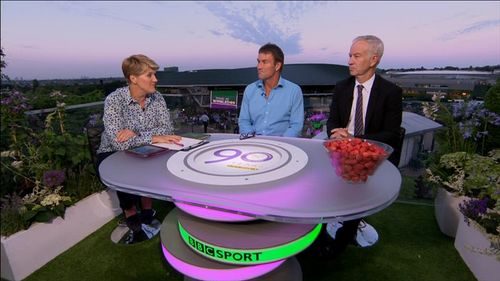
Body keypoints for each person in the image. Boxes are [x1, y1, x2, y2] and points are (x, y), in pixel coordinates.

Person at [320, 35, 403, 258]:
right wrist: (334, 134)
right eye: (349, 55)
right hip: (340, 150)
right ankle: (320, 231)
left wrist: (355, 139)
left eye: (356, 56)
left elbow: (391, 134)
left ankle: (341, 243)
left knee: (355, 189)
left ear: (373, 59)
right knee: (322, 181)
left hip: (367, 154)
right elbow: (332, 122)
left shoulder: (391, 92)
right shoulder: (341, 87)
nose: (350, 61)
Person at [96, 54, 182, 244]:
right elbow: (118, 143)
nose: (155, 79)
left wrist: (134, 132)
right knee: (126, 169)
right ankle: (130, 212)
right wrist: (151, 136)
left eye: (155, 74)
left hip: (146, 148)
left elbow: (167, 130)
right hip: (113, 153)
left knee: (158, 159)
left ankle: (147, 209)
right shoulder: (114, 100)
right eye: (150, 75)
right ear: (133, 78)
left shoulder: (157, 98)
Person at [238, 43, 304, 137]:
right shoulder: (250, 90)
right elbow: (244, 121)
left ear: (277, 66)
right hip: (253, 145)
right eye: (258, 61)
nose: (259, 67)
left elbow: (296, 127)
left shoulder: (294, 91)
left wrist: (278, 145)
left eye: (264, 62)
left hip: (282, 147)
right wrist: (251, 140)